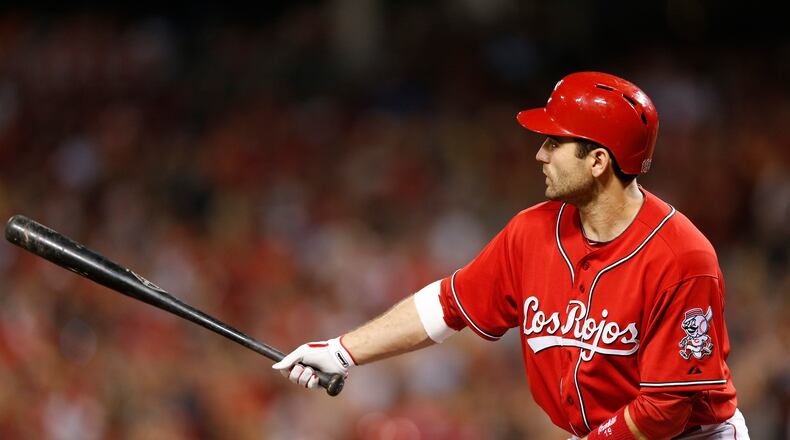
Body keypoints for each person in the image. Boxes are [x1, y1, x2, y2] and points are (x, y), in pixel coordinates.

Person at [272, 72, 749, 439]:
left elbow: (667, 408)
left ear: (599, 161)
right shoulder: (532, 231)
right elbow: (446, 305)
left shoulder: (681, 258)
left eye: (555, 142)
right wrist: (343, 350)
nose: (540, 154)